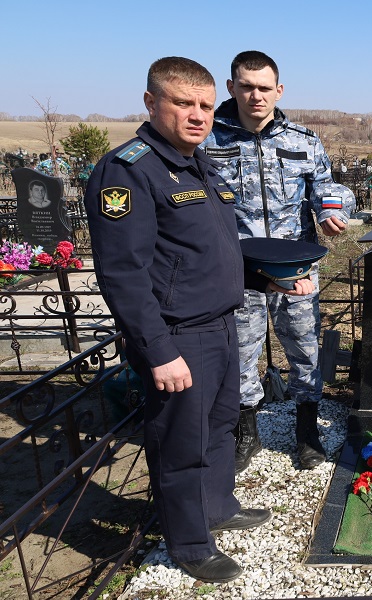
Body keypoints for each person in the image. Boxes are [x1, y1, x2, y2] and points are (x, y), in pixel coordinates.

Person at [84, 57, 271, 583]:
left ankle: (216, 507)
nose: (197, 115)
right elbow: (124, 273)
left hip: (221, 326)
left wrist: (264, 279)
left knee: (218, 427)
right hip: (179, 336)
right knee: (180, 443)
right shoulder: (129, 170)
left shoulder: (198, 163)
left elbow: (202, 254)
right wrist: (158, 349)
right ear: (151, 103)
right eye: (182, 103)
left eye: (206, 105)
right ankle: (189, 543)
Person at [202, 51, 355, 472]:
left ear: (279, 90)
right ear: (231, 88)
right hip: (239, 271)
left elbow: (326, 187)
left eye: (264, 88)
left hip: (295, 271)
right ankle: (246, 433)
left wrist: (329, 212)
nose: (256, 95)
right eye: (247, 86)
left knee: (304, 350)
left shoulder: (303, 140)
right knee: (239, 354)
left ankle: (306, 431)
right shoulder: (208, 140)